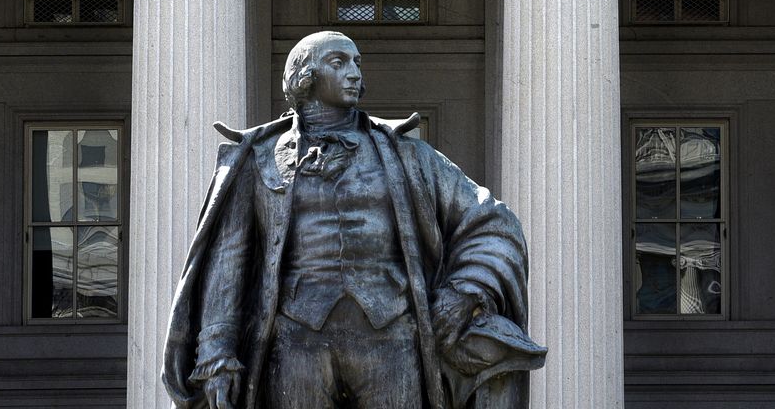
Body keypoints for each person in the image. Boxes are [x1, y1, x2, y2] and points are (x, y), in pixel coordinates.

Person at [163, 31, 545, 409]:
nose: (354, 74)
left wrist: (465, 291)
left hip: (392, 339)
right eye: (338, 62)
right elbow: (229, 261)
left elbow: (492, 220)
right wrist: (215, 352)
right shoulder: (259, 158)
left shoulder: (406, 155)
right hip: (295, 343)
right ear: (304, 76)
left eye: (357, 64)